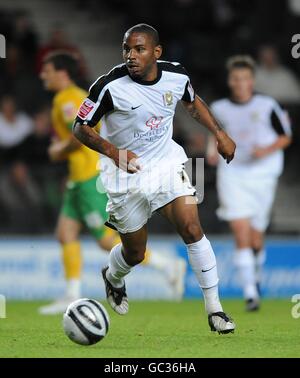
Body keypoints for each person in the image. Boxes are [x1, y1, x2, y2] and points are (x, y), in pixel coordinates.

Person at [73, 24, 236, 333]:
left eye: (139, 49)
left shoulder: (177, 75)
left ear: (156, 53)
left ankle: (215, 310)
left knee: (192, 227)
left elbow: (191, 101)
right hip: (124, 175)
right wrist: (113, 152)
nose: (131, 56)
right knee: (135, 253)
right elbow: (80, 127)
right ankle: (114, 276)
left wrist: (219, 133)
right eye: (126, 49)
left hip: (166, 164)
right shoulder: (108, 86)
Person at [39, 52, 186, 314]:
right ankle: (71, 294)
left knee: (105, 240)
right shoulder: (67, 97)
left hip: (89, 176)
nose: (43, 75)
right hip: (77, 177)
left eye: (47, 70)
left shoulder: (68, 100)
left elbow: (84, 132)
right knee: (65, 234)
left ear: (62, 73)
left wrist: (58, 151)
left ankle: (167, 265)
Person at [207, 55, 292, 311]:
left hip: (263, 175)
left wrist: (265, 150)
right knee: (240, 231)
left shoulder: (268, 106)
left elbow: (285, 136)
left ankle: (254, 274)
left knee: (256, 238)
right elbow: (215, 133)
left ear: (252, 80)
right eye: (236, 78)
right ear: (230, 81)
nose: (240, 83)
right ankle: (250, 294)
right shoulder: (219, 108)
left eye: (245, 78)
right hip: (232, 173)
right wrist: (213, 149)